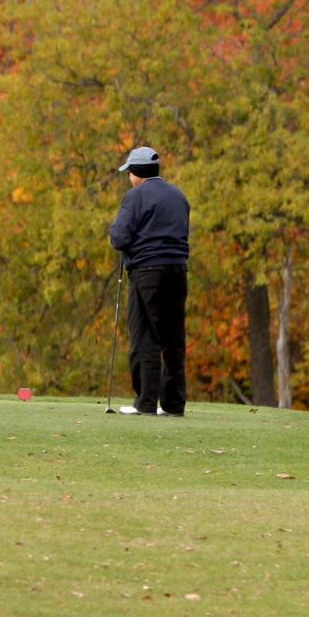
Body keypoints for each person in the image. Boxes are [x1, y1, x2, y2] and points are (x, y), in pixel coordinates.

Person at [108, 145, 191, 417]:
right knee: (173, 336)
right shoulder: (179, 196)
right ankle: (174, 404)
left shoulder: (135, 196)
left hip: (147, 271)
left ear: (136, 173)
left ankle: (145, 402)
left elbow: (119, 238)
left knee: (145, 335)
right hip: (178, 271)